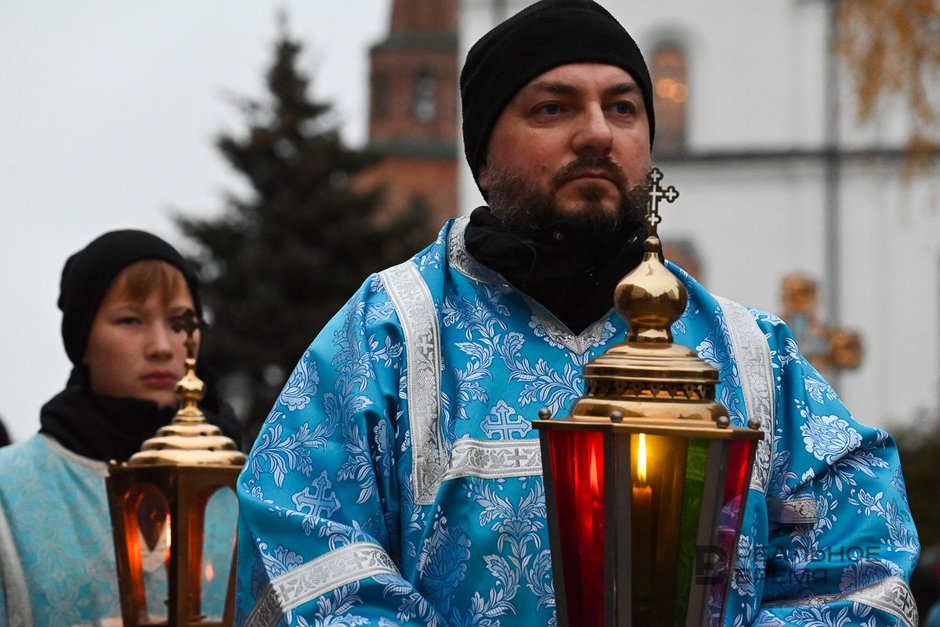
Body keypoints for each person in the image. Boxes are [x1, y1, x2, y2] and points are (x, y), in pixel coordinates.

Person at [235, 1, 919, 625]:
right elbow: (302, 544)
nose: (597, 133)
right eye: (553, 109)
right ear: (483, 150)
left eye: (623, 109)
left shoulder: (751, 354)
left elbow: (860, 560)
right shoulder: (390, 333)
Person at [0, 230, 238, 625]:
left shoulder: (246, 485)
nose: (162, 345)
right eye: (130, 320)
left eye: (181, 320)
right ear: (82, 338)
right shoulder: (10, 490)